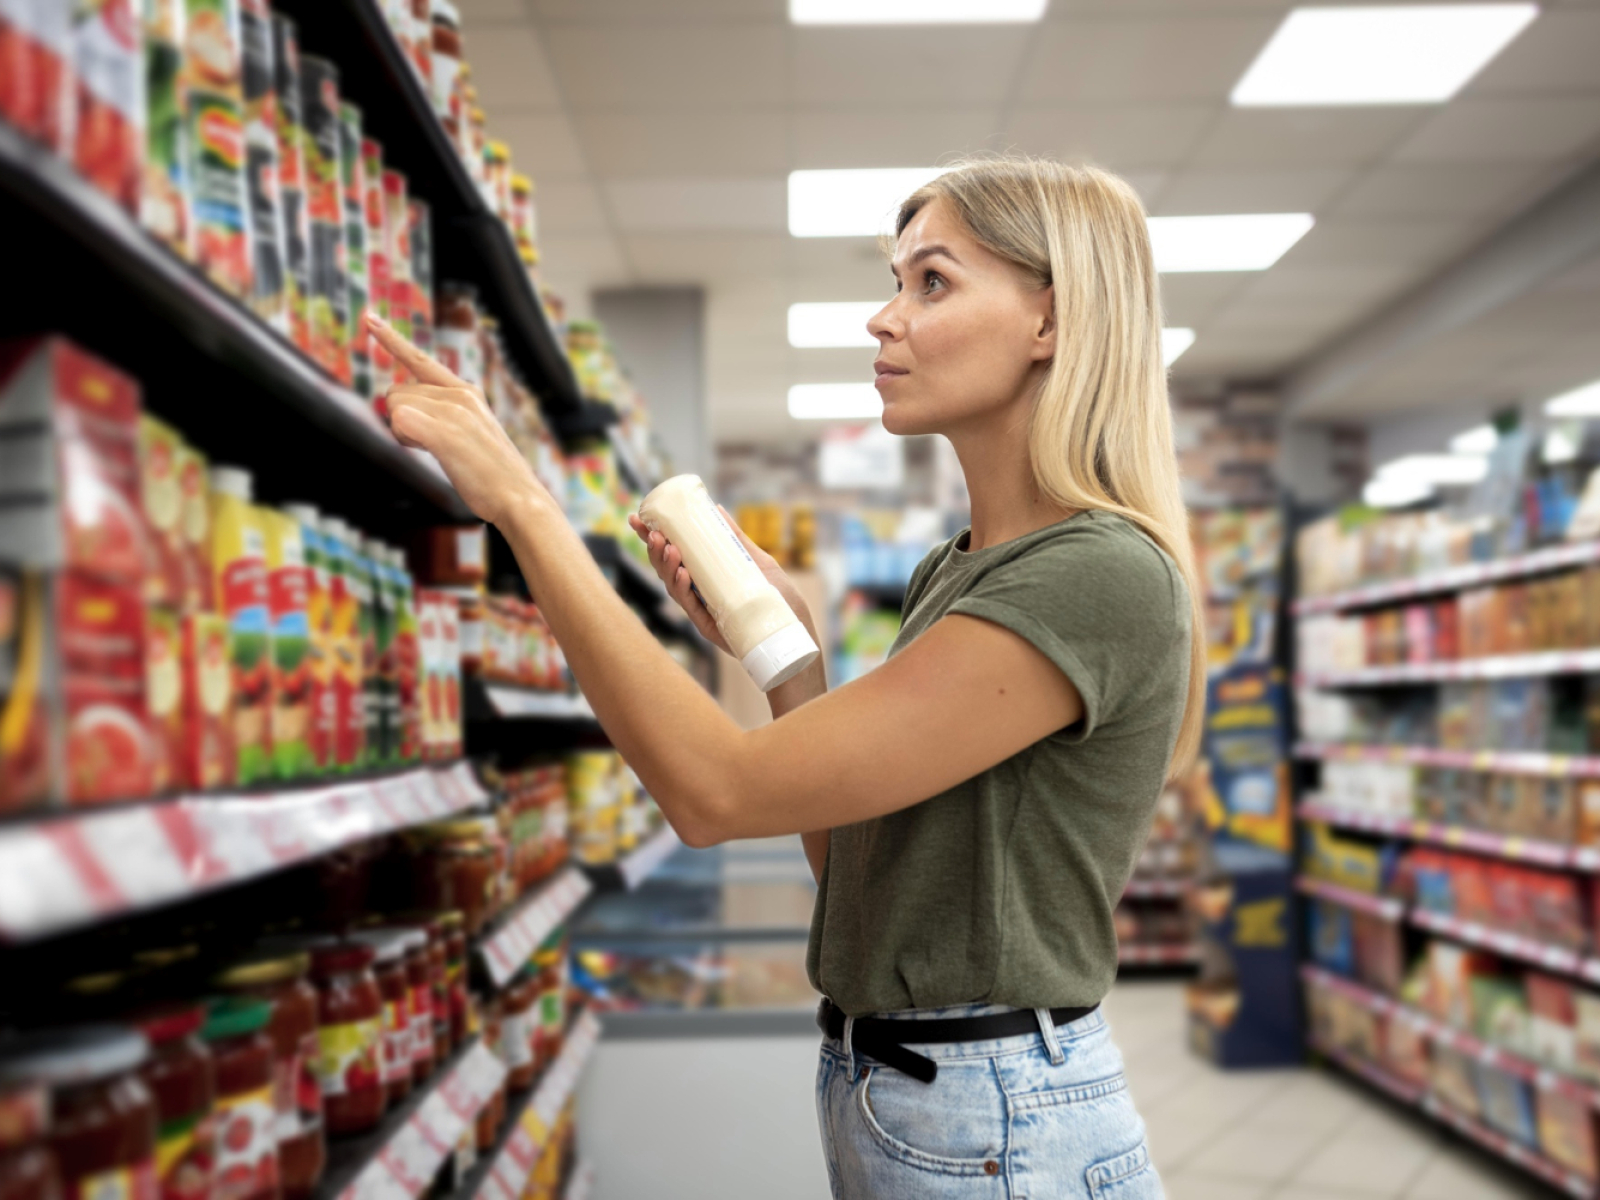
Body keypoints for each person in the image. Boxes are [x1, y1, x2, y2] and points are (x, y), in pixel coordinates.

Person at [368, 155, 1202, 1200]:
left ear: (1051, 318)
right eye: (896, 281)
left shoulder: (1096, 574)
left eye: (930, 282)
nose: (882, 319)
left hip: (990, 1115)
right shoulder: (956, 570)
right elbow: (858, 875)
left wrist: (526, 512)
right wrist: (787, 660)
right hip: (909, 1089)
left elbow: (713, 794)